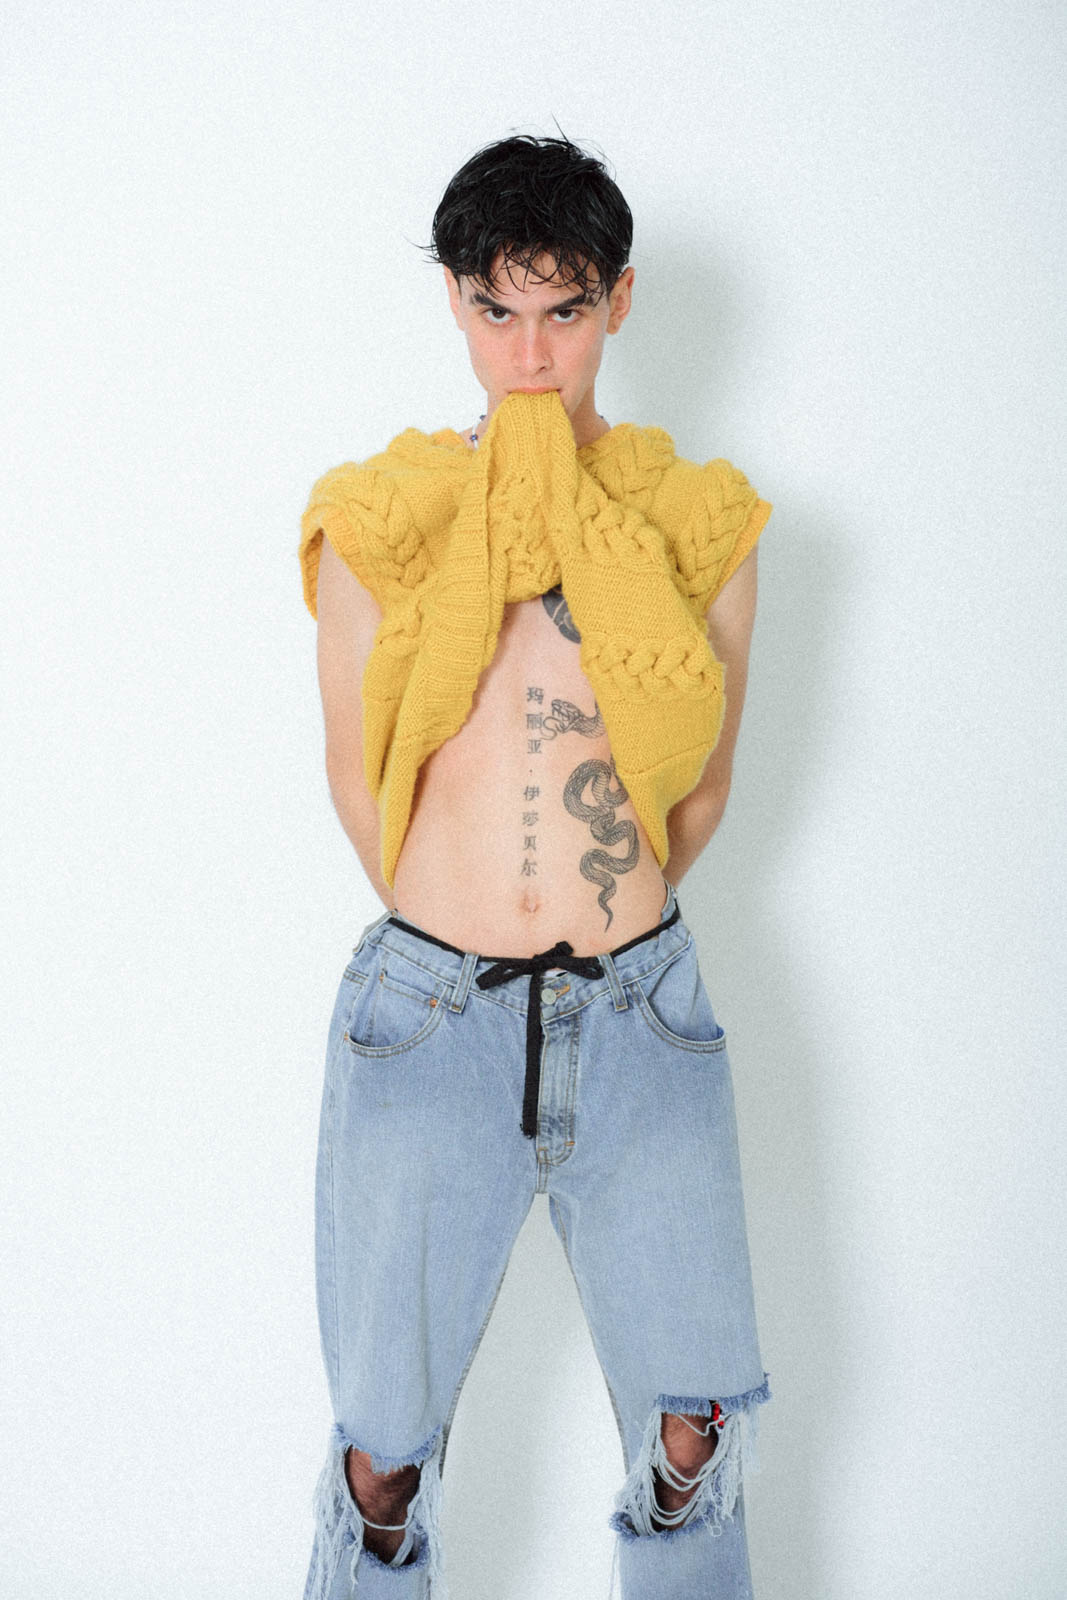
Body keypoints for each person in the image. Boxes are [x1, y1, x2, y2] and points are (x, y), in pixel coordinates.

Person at [297, 132, 773, 1599]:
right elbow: (356, 779)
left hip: (641, 1017)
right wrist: (460, 914)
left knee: (694, 1433)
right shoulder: (384, 519)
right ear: (455, 302)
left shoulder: (697, 521)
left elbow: (702, 785)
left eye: (563, 311)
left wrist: (601, 910)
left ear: (617, 302)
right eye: (498, 310)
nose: (530, 353)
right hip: (430, 1019)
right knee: (382, 1461)